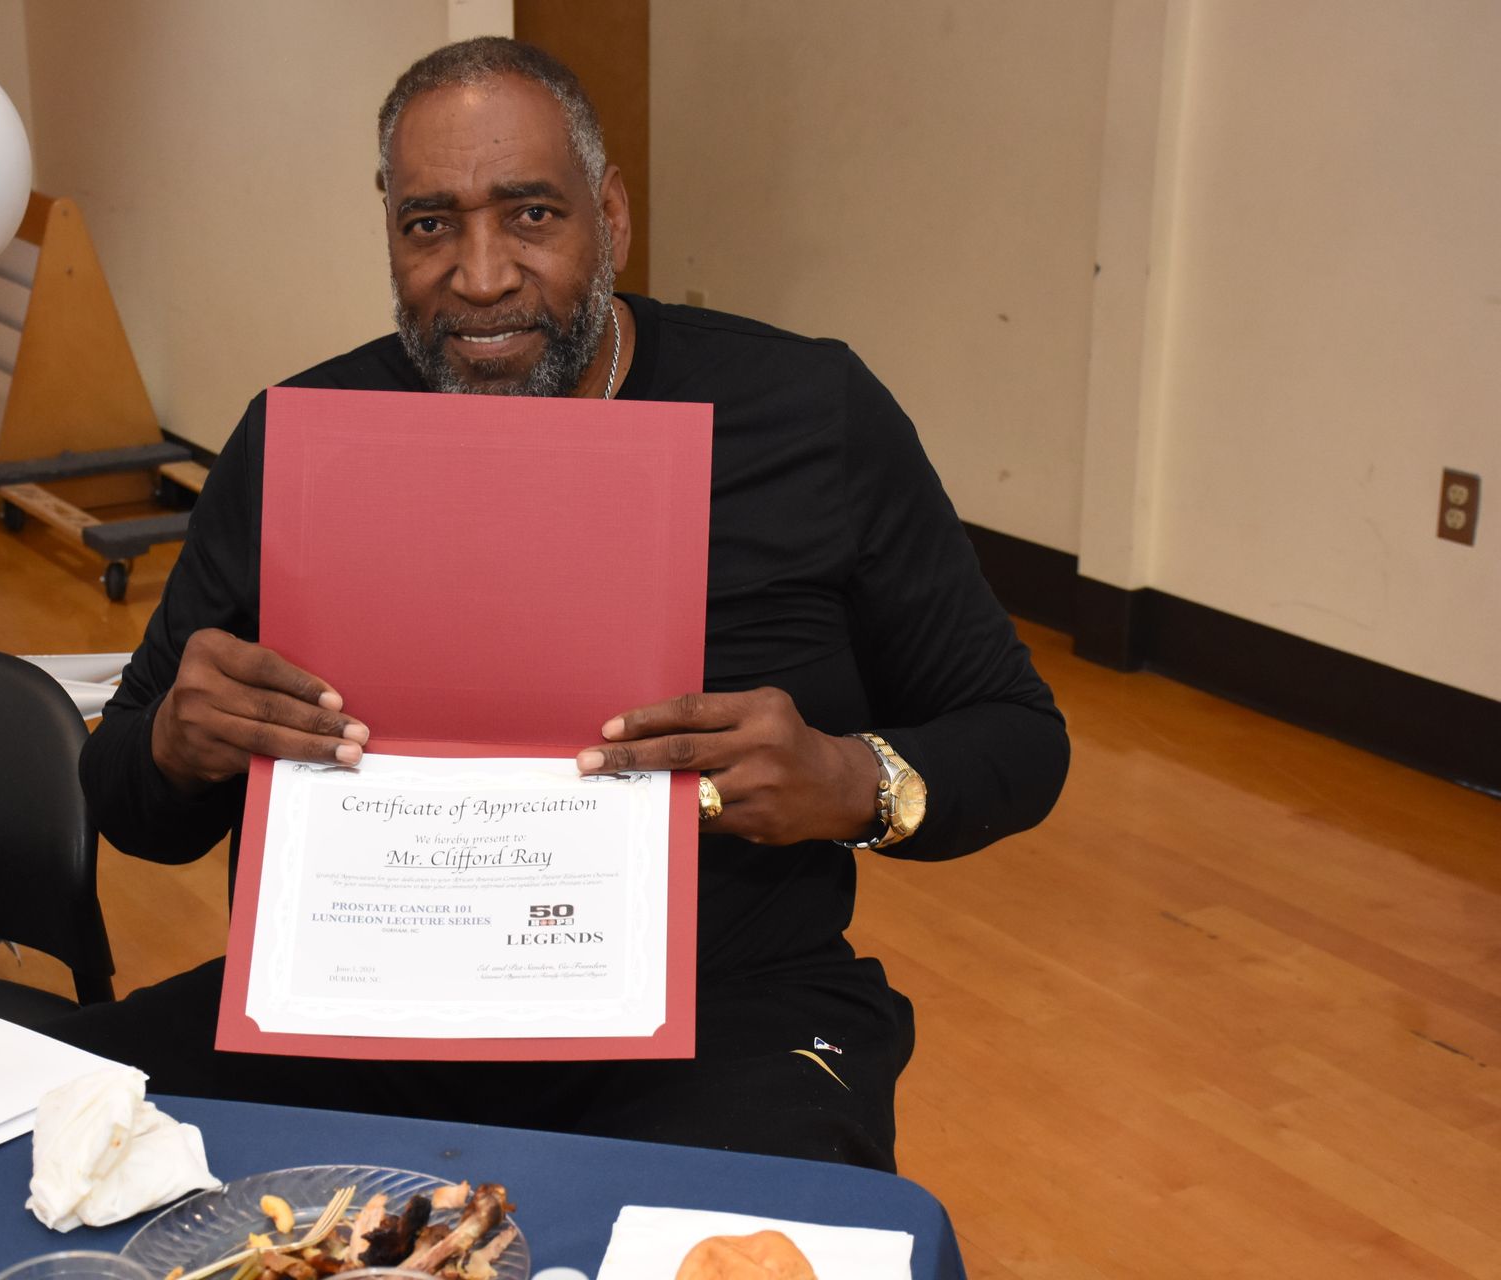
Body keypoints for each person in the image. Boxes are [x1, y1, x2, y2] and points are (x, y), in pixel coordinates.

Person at [57, 37, 1068, 1172]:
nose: (480, 276)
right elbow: (128, 800)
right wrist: (180, 743)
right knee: (30, 1146)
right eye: (430, 224)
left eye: (530, 215)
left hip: (718, 1016)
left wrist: (852, 781)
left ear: (613, 218)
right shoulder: (302, 435)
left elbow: (1019, 737)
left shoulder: (808, 414)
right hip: (356, 1008)